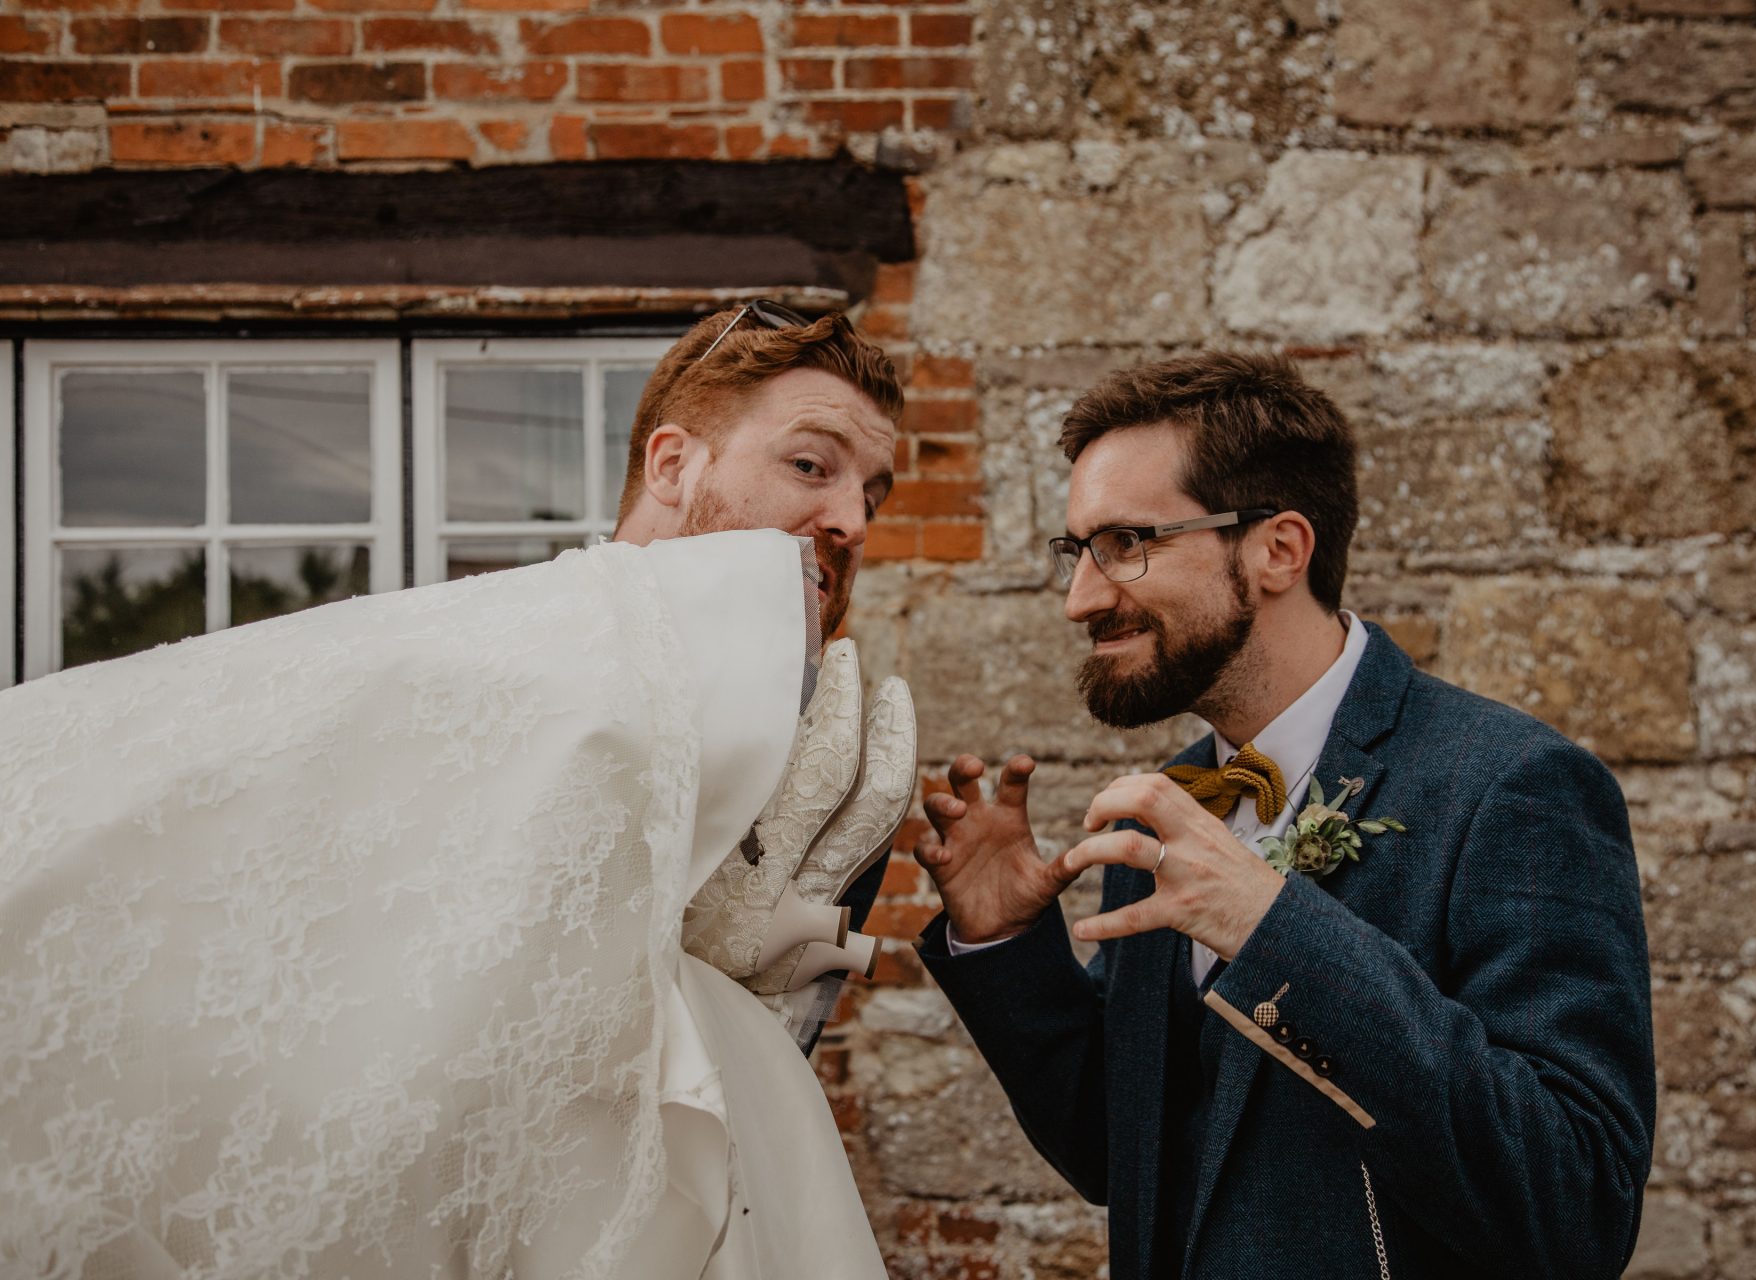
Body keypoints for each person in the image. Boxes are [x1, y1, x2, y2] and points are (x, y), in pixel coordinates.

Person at [0, 301, 900, 1279]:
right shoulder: (495, 666)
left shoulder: (817, 744)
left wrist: (750, 1011)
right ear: (674, 464)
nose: (851, 521)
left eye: (874, 494)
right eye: (811, 465)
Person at [914, 352, 1656, 1279]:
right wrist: (1006, 942)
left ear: (1277, 549)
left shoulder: (1515, 786)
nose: (1082, 597)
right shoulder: (1174, 808)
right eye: (1078, 551)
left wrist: (1276, 932)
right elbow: (1125, 1155)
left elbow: (1575, 1203)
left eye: (1126, 544)